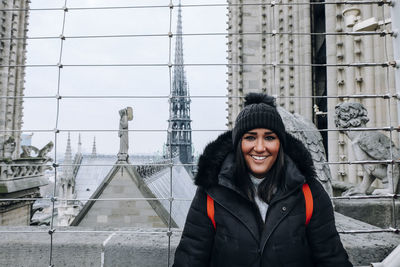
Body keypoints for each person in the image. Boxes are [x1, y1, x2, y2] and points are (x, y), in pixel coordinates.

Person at [173, 93, 352, 267]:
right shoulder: (211, 193)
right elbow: (190, 259)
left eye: (269, 138)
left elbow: (331, 259)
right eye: (250, 137)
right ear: (238, 144)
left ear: (280, 143)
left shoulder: (309, 193)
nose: (259, 148)